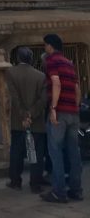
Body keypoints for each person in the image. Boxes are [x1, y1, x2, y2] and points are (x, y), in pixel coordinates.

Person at [41, 33, 83, 203]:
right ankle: (76, 189)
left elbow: (56, 82)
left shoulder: (52, 61)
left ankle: (59, 191)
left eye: (45, 45)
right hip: (73, 112)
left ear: (50, 46)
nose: (45, 48)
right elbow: (77, 88)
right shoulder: (69, 63)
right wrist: (75, 107)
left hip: (59, 112)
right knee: (74, 152)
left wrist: (53, 108)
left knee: (55, 152)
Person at [5, 46, 47, 193]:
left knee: (16, 151)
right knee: (36, 153)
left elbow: (14, 97)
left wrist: (23, 115)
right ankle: (35, 183)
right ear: (31, 59)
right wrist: (31, 115)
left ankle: (15, 181)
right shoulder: (41, 76)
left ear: (17, 58)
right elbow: (43, 100)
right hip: (36, 122)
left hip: (18, 121)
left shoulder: (10, 73)